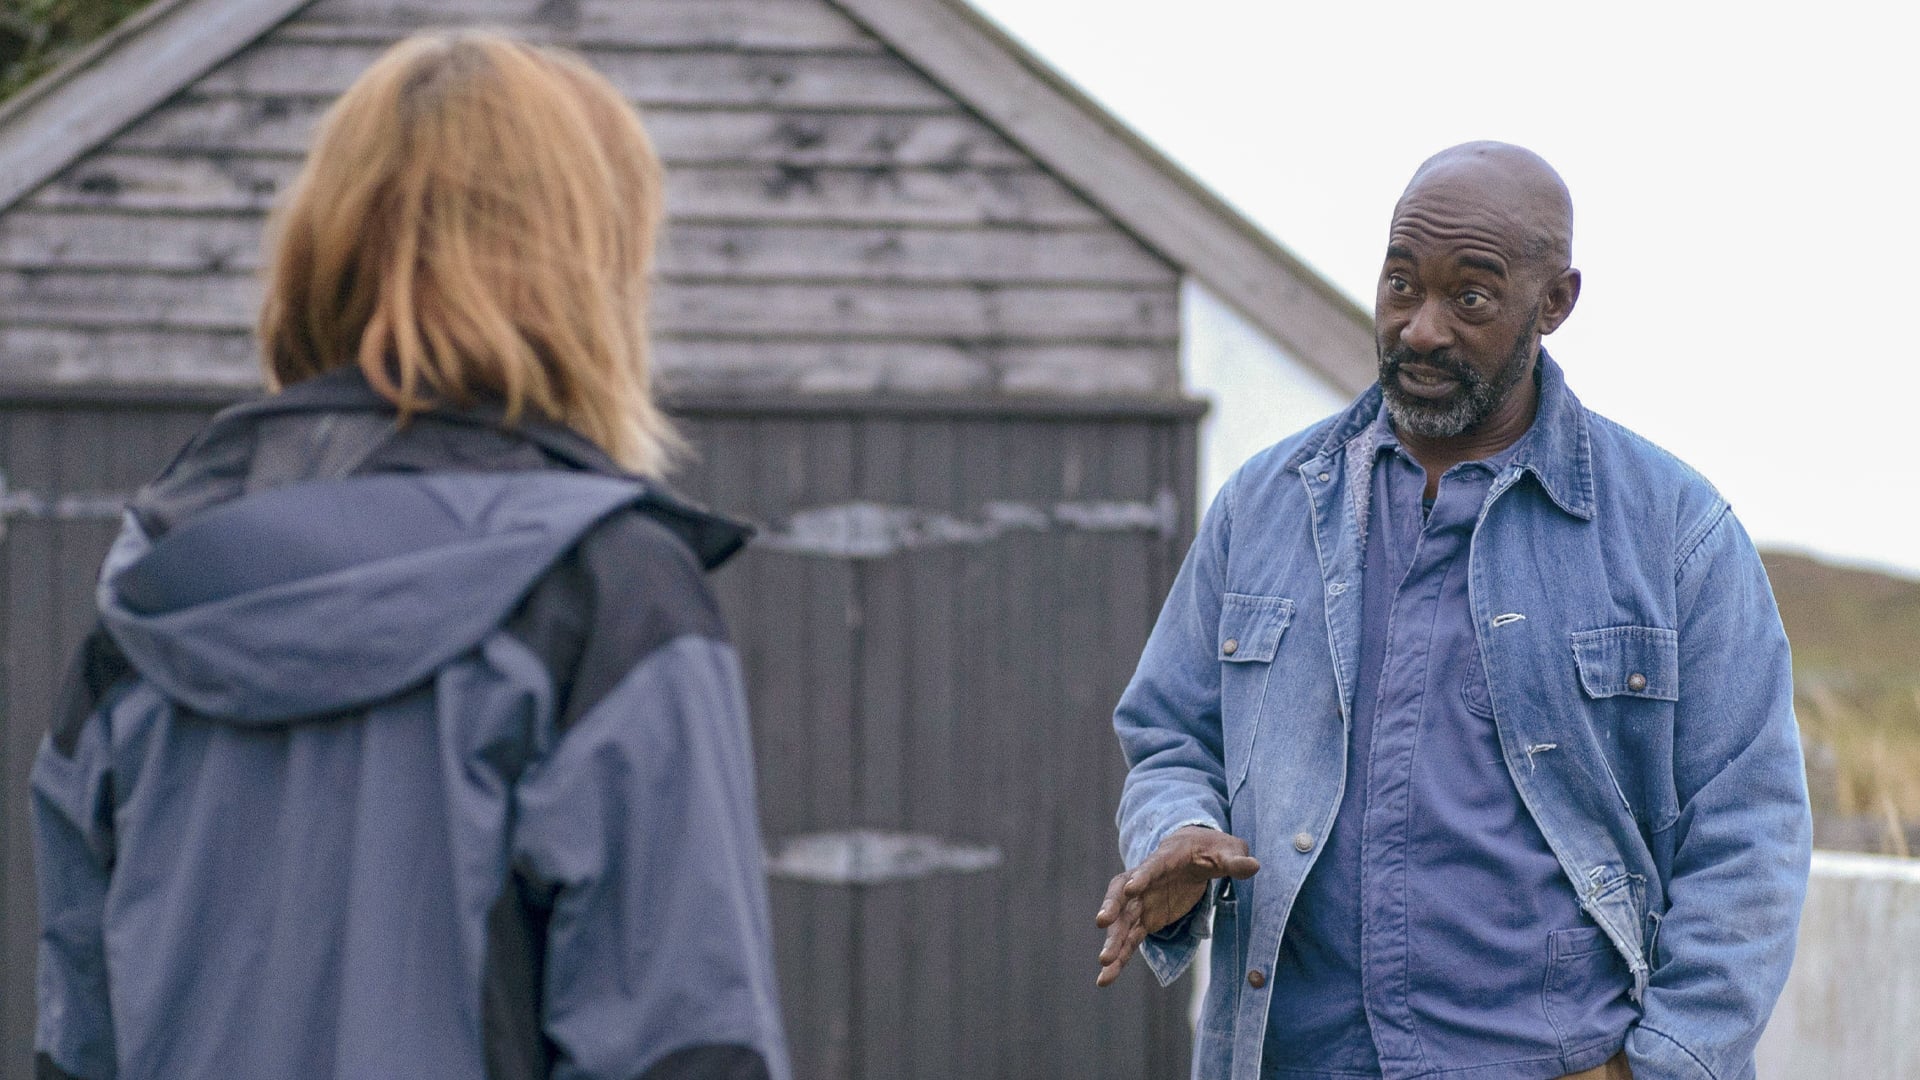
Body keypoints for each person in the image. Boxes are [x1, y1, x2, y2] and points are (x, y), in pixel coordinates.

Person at [32, 32, 789, 1080]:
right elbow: (687, 1047)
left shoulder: (156, 604)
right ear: (586, 271)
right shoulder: (606, 591)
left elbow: (80, 1044)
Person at [1095, 142, 1810, 1080]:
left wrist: (1663, 1063)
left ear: (1554, 302)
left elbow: (1749, 833)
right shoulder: (1264, 506)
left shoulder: (1675, 532)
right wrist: (1179, 832)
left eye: (1469, 297)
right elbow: (1171, 734)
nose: (1421, 329)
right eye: (1401, 285)